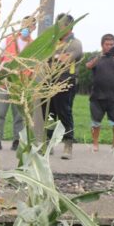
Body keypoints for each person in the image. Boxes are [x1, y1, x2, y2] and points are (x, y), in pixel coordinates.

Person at [45, 13, 83, 159]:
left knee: (64, 113)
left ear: (68, 26)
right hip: (49, 82)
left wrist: (53, 57)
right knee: (49, 114)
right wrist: (56, 57)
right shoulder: (53, 42)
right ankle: (48, 143)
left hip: (66, 82)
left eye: (60, 25)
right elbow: (44, 57)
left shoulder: (75, 44)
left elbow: (65, 60)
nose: (57, 27)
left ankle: (68, 144)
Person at [85, 33, 114, 152]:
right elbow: (88, 66)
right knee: (95, 122)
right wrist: (99, 57)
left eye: (112, 44)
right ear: (102, 45)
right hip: (97, 96)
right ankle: (95, 144)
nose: (109, 46)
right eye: (107, 44)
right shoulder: (96, 57)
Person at [0, 16, 35, 150]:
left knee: (18, 115)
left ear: (33, 28)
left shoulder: (34, 44)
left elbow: (35, 65)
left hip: (21, 85)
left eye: (30, 26)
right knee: (0, 113)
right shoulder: (9, 39)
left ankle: (17, 141)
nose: (26, 28)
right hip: (5, 83)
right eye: (24, 25)